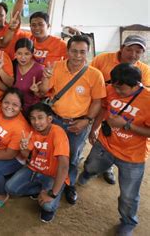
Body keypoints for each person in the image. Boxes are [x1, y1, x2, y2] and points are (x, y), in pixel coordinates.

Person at [78, 63, 150, 236]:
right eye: (114, 86)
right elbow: (103, 109)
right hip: (105, 144)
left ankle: (128, 222)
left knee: (128, 196)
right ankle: (88, 174)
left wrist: (127, 125)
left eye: (122, 89)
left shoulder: (148, 100)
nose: (116, 91)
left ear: (136, 85)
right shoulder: (111, 88)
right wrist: (95, 127)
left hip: (133, 156)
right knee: (90, 166)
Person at [38, 35, 106, 204]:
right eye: (74, 51)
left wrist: (87, 121)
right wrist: (46, 77)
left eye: (82, 52)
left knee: (73, 156)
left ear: (88, 53)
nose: (77, 56)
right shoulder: (56, 67)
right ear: (67, 51)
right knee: (50, 152)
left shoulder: (95, 75)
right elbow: (43, 91)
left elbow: (98, 101)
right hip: (54, 120)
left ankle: (70, 185)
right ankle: (48, 180)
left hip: (78, 123)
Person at [90, 35, 149, 185]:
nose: (133, 54)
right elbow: (90, 77)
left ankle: (107, 168)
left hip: (127, 124)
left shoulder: (145, 72)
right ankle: (91, 171)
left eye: (138, 51)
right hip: (100, 105)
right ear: (122, 48)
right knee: (96, 154)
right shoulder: (103, 59)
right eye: (129, 49)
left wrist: (126, 124)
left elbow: (143, 100)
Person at [5, 102, 69, 223]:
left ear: (49, 119)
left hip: (52, 175)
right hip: (33, 169)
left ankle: (56, 191)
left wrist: (52, 194)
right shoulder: (31, 132)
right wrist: (23, 147)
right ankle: (40, 190)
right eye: (33, 118)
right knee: (10, 188)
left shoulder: (58, 133)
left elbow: (64, 166)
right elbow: (25, 155)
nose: (36, 122)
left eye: (40, 118)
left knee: (47, 206)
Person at [12, 38, 44, 113]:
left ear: (32, 54)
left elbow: (42, 95)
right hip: (12, 109)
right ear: (15, 53)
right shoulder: (12, 65)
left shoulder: (39, 69)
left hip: (31, 111)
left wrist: (36, 92)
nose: (23, 57)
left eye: (27, 54)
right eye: (19, 53)